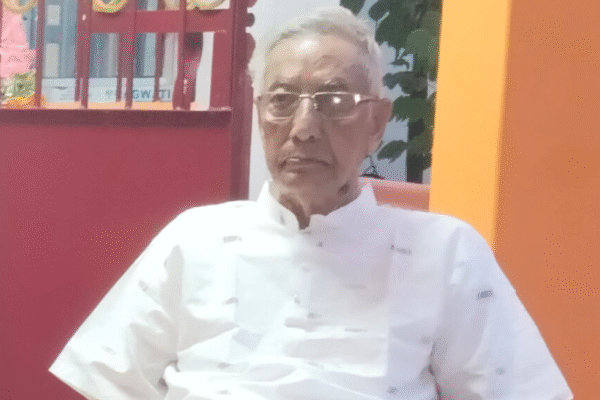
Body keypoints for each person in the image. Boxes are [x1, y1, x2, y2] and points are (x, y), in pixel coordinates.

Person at [49, 7, 573, 400]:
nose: (303, 129)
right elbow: (110, 378)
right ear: (260, 114)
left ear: (377, 122)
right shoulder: (196, 239)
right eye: (281, 101)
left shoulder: (444, 252)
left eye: (334, 101)